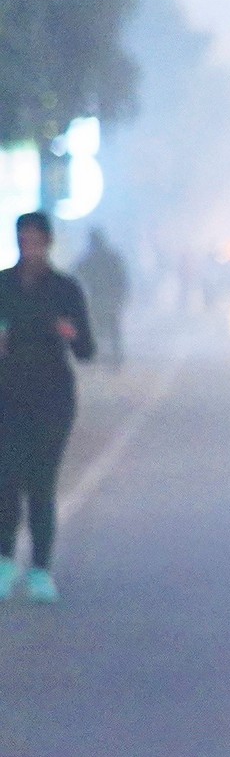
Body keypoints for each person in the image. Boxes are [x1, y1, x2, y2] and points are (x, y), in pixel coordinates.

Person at [0, 210, 98, 602]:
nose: (30, 247)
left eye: (36, 240)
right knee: (6, 481)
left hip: (52, 399)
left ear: (48, 242)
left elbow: (87, 350)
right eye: (24, 240)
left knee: (40, 483)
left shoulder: (64, 289)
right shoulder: (3, 285)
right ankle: (5, 562)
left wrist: (70, 333)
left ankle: (41, 568)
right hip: (7, 396)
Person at [76, 228, 128, 365]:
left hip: (99, 298)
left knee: (99, 327)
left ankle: (103, 356)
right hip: (108, 299)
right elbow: (122, 279)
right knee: (110, 328)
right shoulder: (112, 257)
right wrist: (120, 297)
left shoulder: (90, 259)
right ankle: (114, 357)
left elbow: (77, 271)